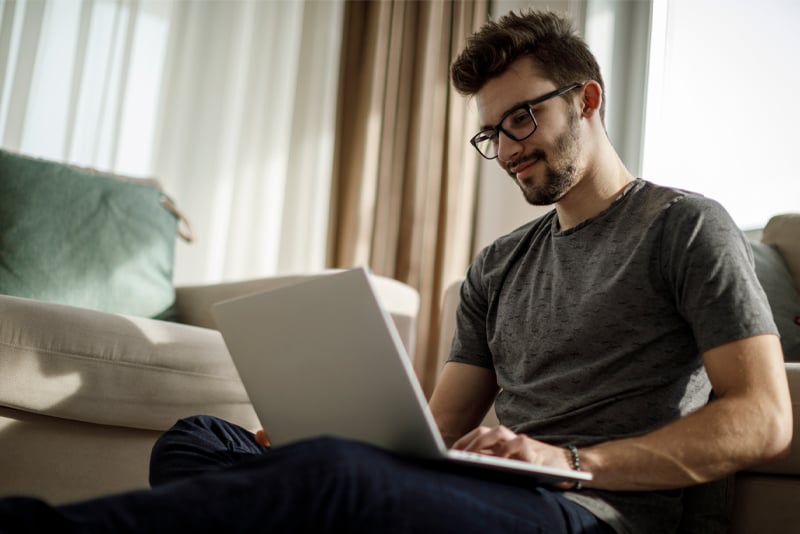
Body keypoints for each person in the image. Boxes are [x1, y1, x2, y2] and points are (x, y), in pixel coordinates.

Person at [0, 9, 792, 534]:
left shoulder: (683, 227)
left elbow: (765, 418)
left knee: (331, 481)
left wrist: (574, 461)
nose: (509, 147)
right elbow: (442, 426)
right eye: (492, 134)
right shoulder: (500, 263)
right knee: (204, 440)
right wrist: (320, 433)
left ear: (587, 98)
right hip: (492, 490)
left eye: (524, 117)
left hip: (595, 512)